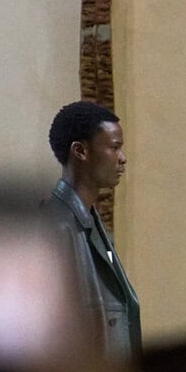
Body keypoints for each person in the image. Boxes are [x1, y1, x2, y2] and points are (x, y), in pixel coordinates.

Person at [44, 100, 142, 357]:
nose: (122, 158)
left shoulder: (93, 223)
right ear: (81, 151)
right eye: (114, 147)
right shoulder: (54, 228)